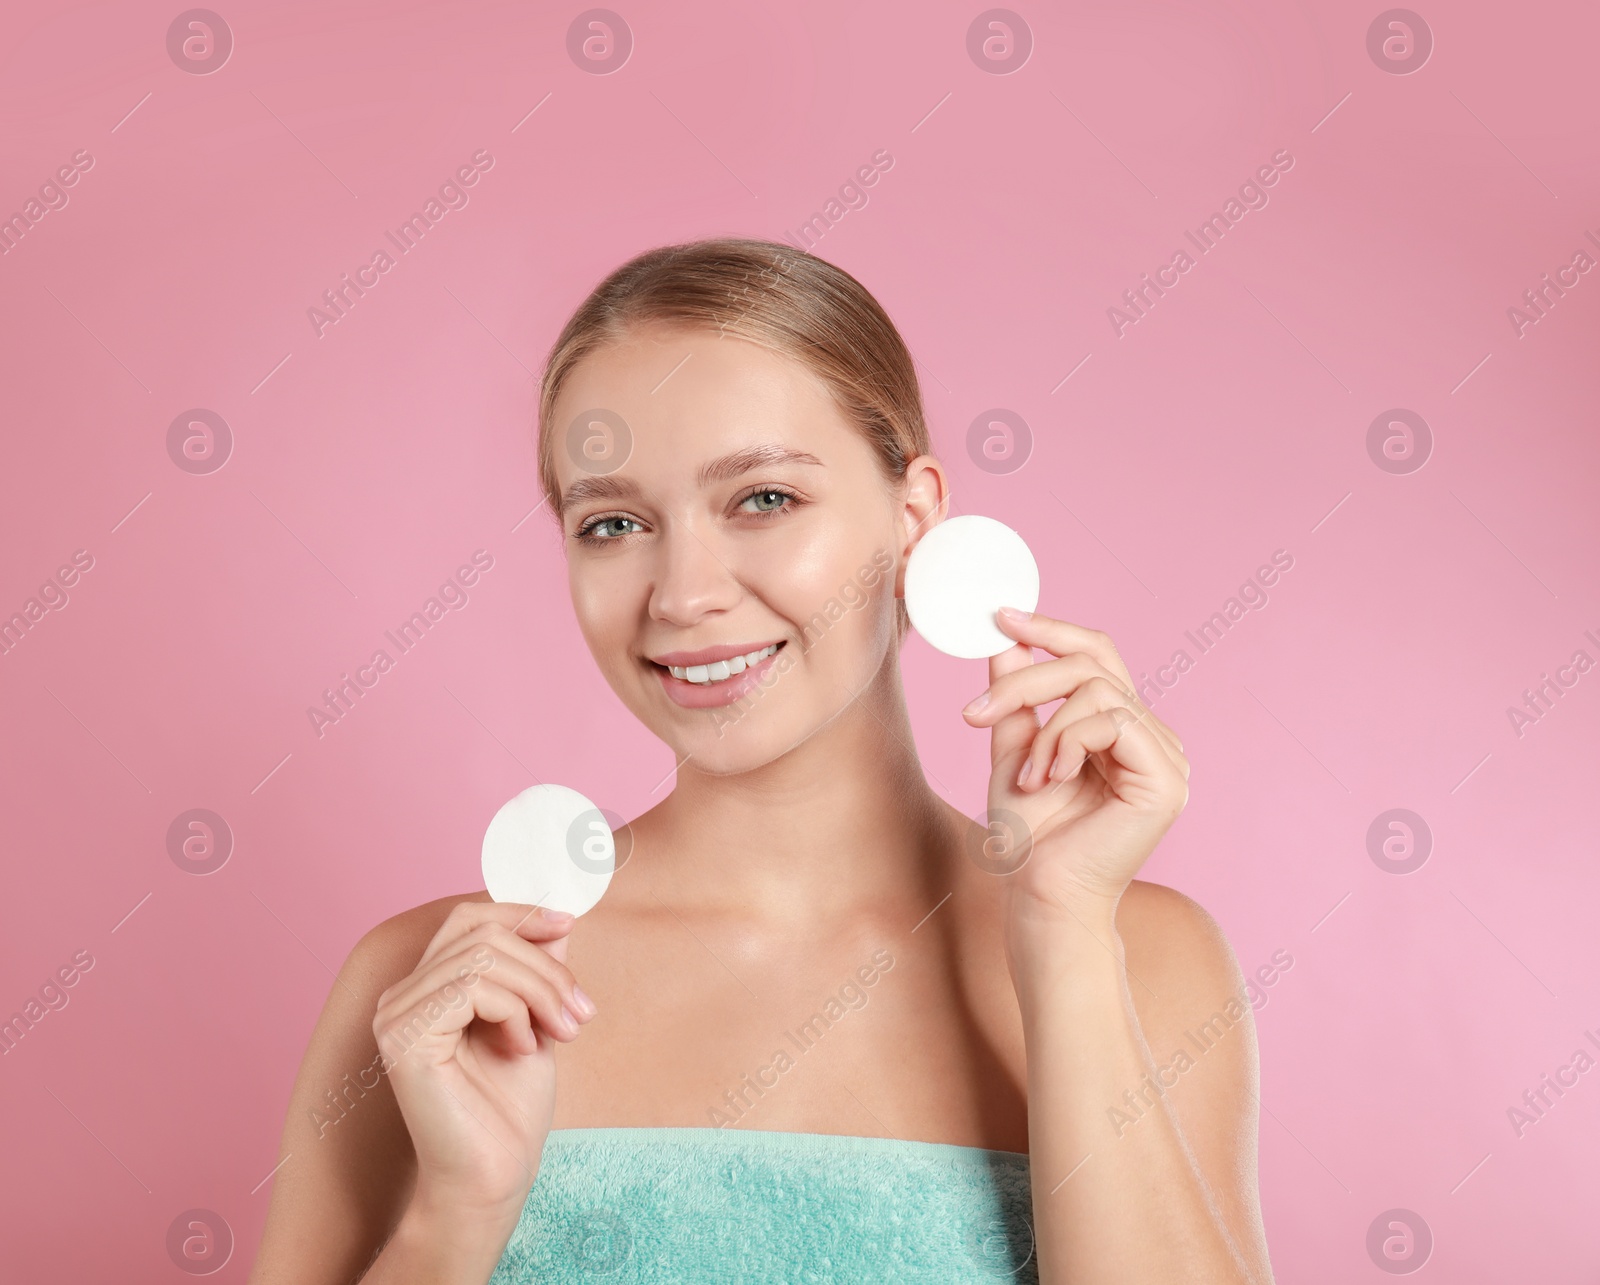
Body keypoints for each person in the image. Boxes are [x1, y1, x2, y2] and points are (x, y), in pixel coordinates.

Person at [251, 237, 1274, 1283]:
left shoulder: (1139, 956)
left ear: (913, 517)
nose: (683, 592)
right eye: (612, 522)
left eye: (764, 499)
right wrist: (454, 1217)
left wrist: (1061, 938)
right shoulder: (439, 991)